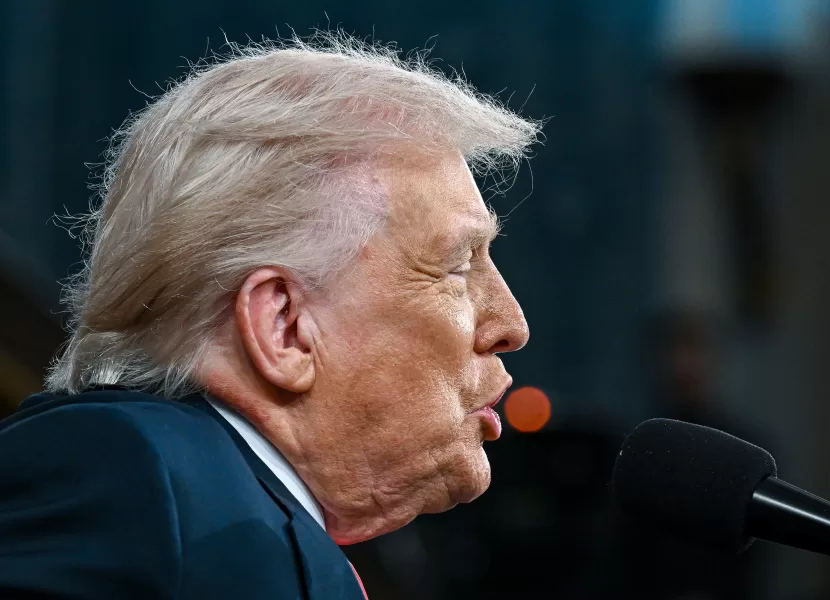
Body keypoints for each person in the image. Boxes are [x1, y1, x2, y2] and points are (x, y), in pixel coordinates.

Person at [0, 33, 540, 599]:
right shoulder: (123, 468)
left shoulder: (232, 509)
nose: (511, 323)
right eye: (456, 267)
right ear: (284, 326)